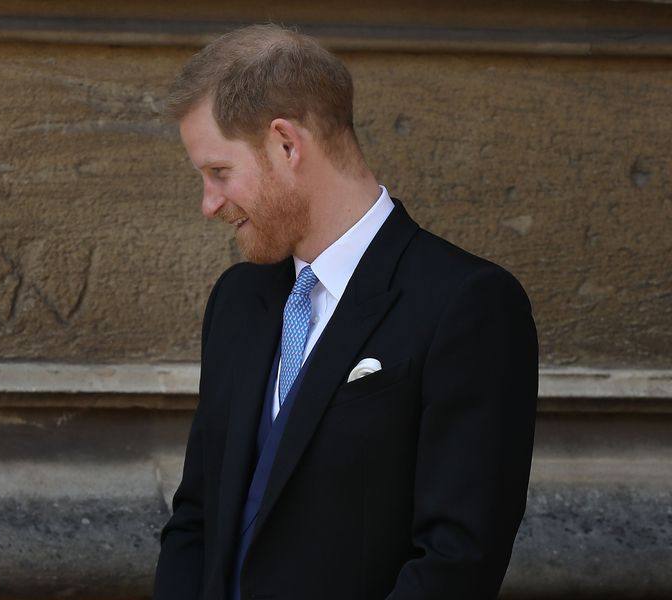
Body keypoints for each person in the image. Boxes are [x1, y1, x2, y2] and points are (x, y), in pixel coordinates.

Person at [153, 25, 537, 600]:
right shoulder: (238, 300)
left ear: (286, 144)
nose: (209, 205)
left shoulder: (467, 304)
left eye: (219, 173)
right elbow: (198, 516)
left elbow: (457, 560)